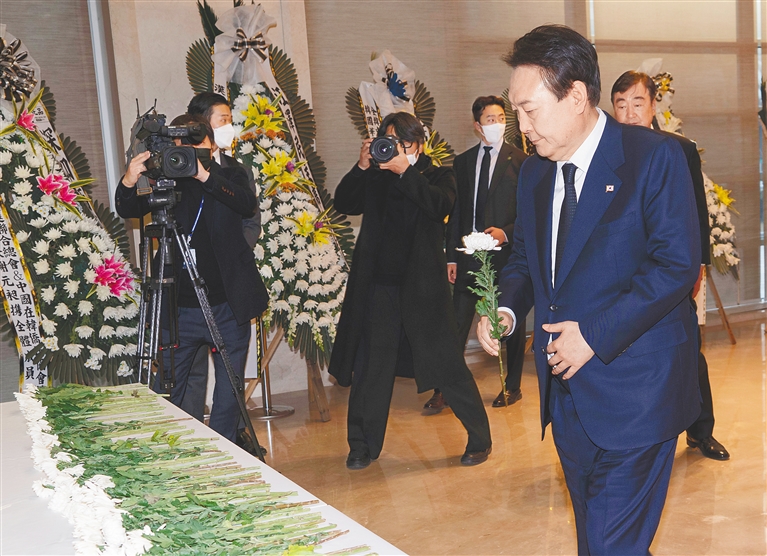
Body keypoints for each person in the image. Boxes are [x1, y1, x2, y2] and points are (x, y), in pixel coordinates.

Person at [478, 25, 701, 554]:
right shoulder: (534, 174)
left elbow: (674, 265)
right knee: (599, 539)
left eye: (529, 110)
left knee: (607, 545)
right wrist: (505, 309)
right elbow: (526, 259)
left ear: (576, 96)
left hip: (640, 391)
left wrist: (594, 335)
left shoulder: (653, 157)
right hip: (569, 399)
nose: (521, 126)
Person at [329, 111, 492, 470]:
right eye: (390, 142)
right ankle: (361, 445)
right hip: (380, 287)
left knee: (447, 364)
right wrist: (361, 166)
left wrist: (406, 171)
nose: (396, 150)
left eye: (403, 143)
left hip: (423, 288)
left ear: (418, 144)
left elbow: (439, 205)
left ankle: (480, 438)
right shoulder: (375, 174)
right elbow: (344, 203)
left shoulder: (438, 174)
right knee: (371, 368)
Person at [115, 114, 268, 443]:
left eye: (195, 143)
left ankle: (225, 449)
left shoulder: (231, 173)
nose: (186, 152)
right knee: (169, 385)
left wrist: (203, 175)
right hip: (179, 306)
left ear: (211, 144)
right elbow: (129, 210)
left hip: (228, 304)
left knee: (230, 389)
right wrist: (129, 180)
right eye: (180, 145)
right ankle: (169, 447)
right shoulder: (165, 177)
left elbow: (246, 204)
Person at [611, 70, 729, 461]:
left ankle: (701, 431)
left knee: (688, 351)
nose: (629, 112)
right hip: (624, 277)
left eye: (637, 103)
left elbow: (697, 213)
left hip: (672, 273)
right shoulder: (605, 153)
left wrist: (696, 268)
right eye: (621, 104)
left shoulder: (679, 148)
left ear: (653, 106)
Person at [424, 96, 528, 414]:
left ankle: (512, 385)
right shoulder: (464, 162)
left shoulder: (522, 161)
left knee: (509, 320)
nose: (497, 124)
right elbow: (457, 212)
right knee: (456, 323)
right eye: (490, 119)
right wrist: (451, 256)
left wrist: (506, 232)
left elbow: (529, 213)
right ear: (477, 125)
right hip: (469, 255)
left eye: (501, 118)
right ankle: (445, 388)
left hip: (505, 255)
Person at [182, 93, 263, 453]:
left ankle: (228, 442)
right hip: (187, 293)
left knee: (230, 373)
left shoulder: (235, 169)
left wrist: (231, 254)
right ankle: (191, 443)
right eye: (223, 119)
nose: (229, 126)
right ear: (201, 123)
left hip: (228, 287)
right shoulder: (176, 166)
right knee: (190, 374)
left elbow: (250, 218)